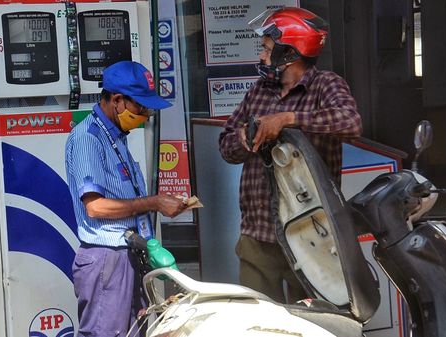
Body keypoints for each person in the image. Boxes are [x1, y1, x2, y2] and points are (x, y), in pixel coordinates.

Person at [218, 7, 362, 304]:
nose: (262, 56)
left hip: (312, 236)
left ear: (290, 54)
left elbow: (351, 123)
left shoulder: (326, 85)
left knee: (315, 322)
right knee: (257, 322)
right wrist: (244, 138)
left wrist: (287, 119)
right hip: (258, 234)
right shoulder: (258, 91)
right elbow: (225, 147)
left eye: (267, 49)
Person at [65, 60, 187, 336]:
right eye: (140, 106)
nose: (145, 114)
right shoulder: (88, 139)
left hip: (127, 255)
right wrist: (154, 202)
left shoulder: (116, 136)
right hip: (107, 260)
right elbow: (95, 207)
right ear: (117, 100)